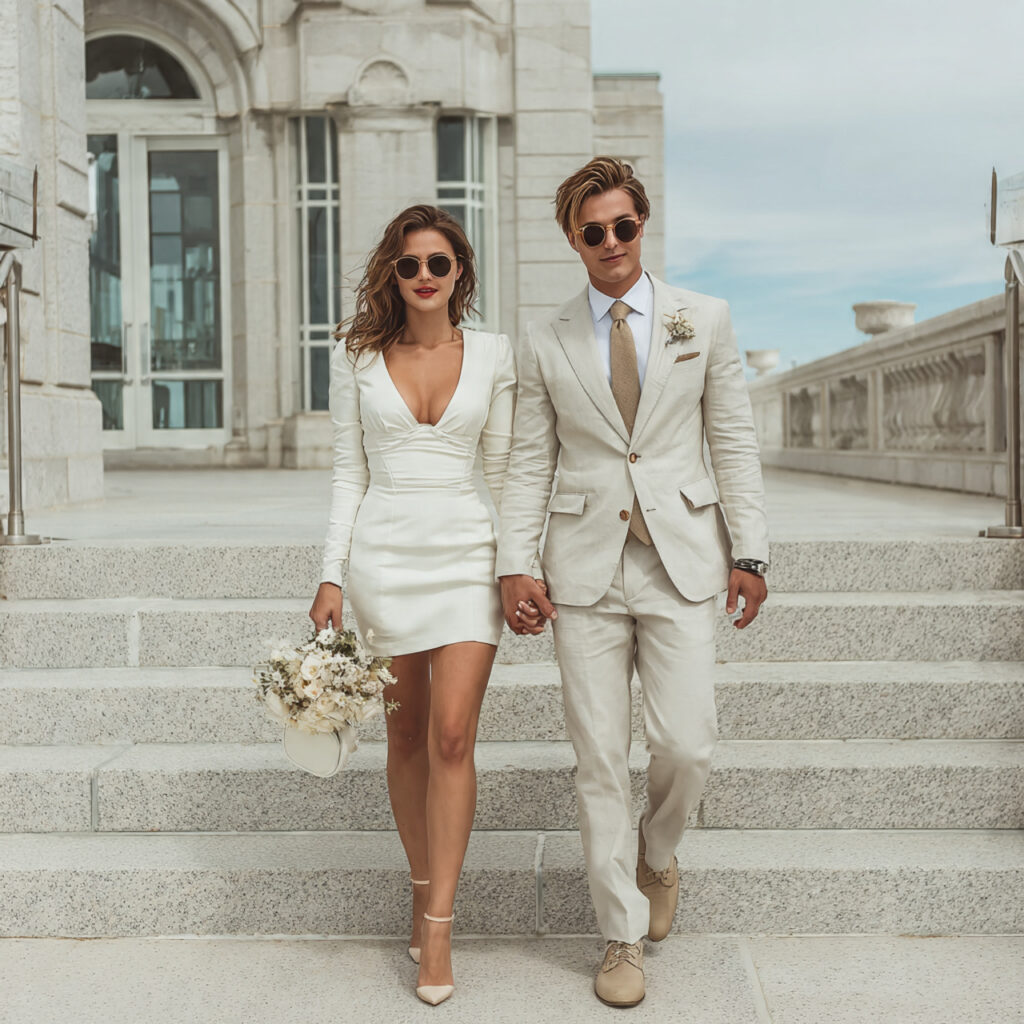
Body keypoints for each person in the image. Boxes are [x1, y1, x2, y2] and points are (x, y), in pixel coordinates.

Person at [495, 157, 769, 1008]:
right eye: (592, 232)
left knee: (687, 744)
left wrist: (750, 552)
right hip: (583, 568)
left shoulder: (704, 319)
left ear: (641, 225)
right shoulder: (546, 339)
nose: (610, 243)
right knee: (598, 759)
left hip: (683, 554)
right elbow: (529, 459)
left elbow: (732, 438)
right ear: (573, 241)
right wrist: (515, 560)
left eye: (623, 226)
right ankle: (619, 933)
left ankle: (658, 854)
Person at [309, 204, 540, 1006]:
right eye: (409, 265)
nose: (424, 277)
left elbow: (509, 472)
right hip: (383, 556)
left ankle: (438, 926)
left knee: (452, 734)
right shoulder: (359, 355)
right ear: (393, 274)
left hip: (467, 554)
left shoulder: (496, 355)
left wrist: (520, 565)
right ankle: (421, 881)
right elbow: (348, 473)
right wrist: (331, 575)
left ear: (460, 273)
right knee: (404, 731)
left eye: (438, 263)